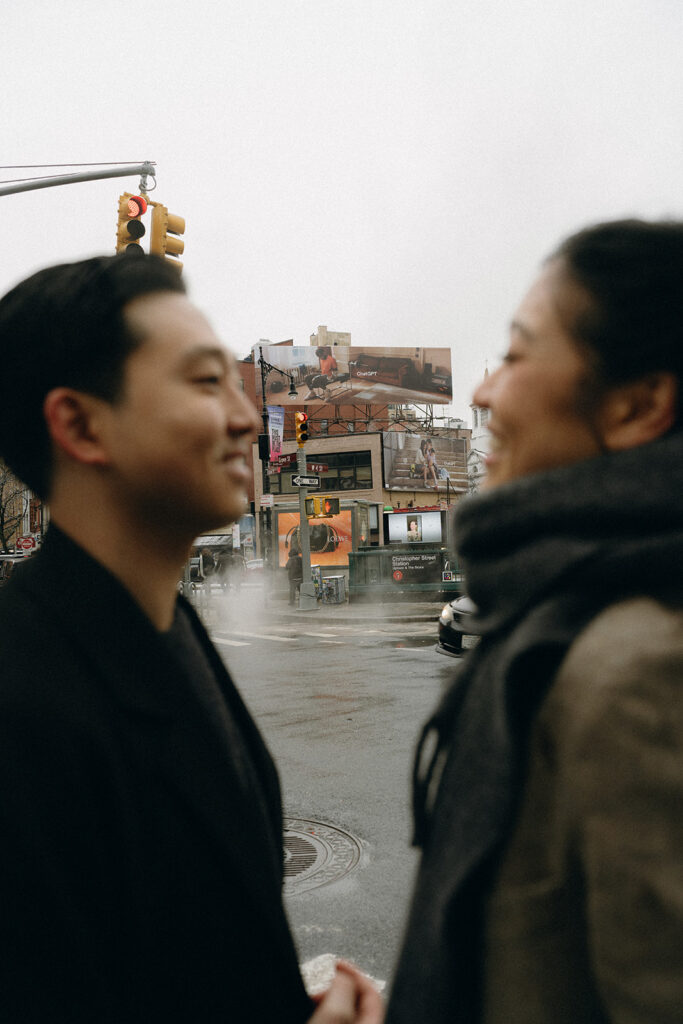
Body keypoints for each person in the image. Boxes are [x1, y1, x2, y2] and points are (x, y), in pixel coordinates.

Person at [0, 255, 383, 1024]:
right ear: (79, 424)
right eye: (206, 383)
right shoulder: (23, 707)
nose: (247, 420)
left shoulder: (164, 626)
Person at [386, 219, 683, 1024]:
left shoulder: (638, 670)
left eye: (516, 355)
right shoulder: (566, 610)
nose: (482, 391)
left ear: (637, 405)